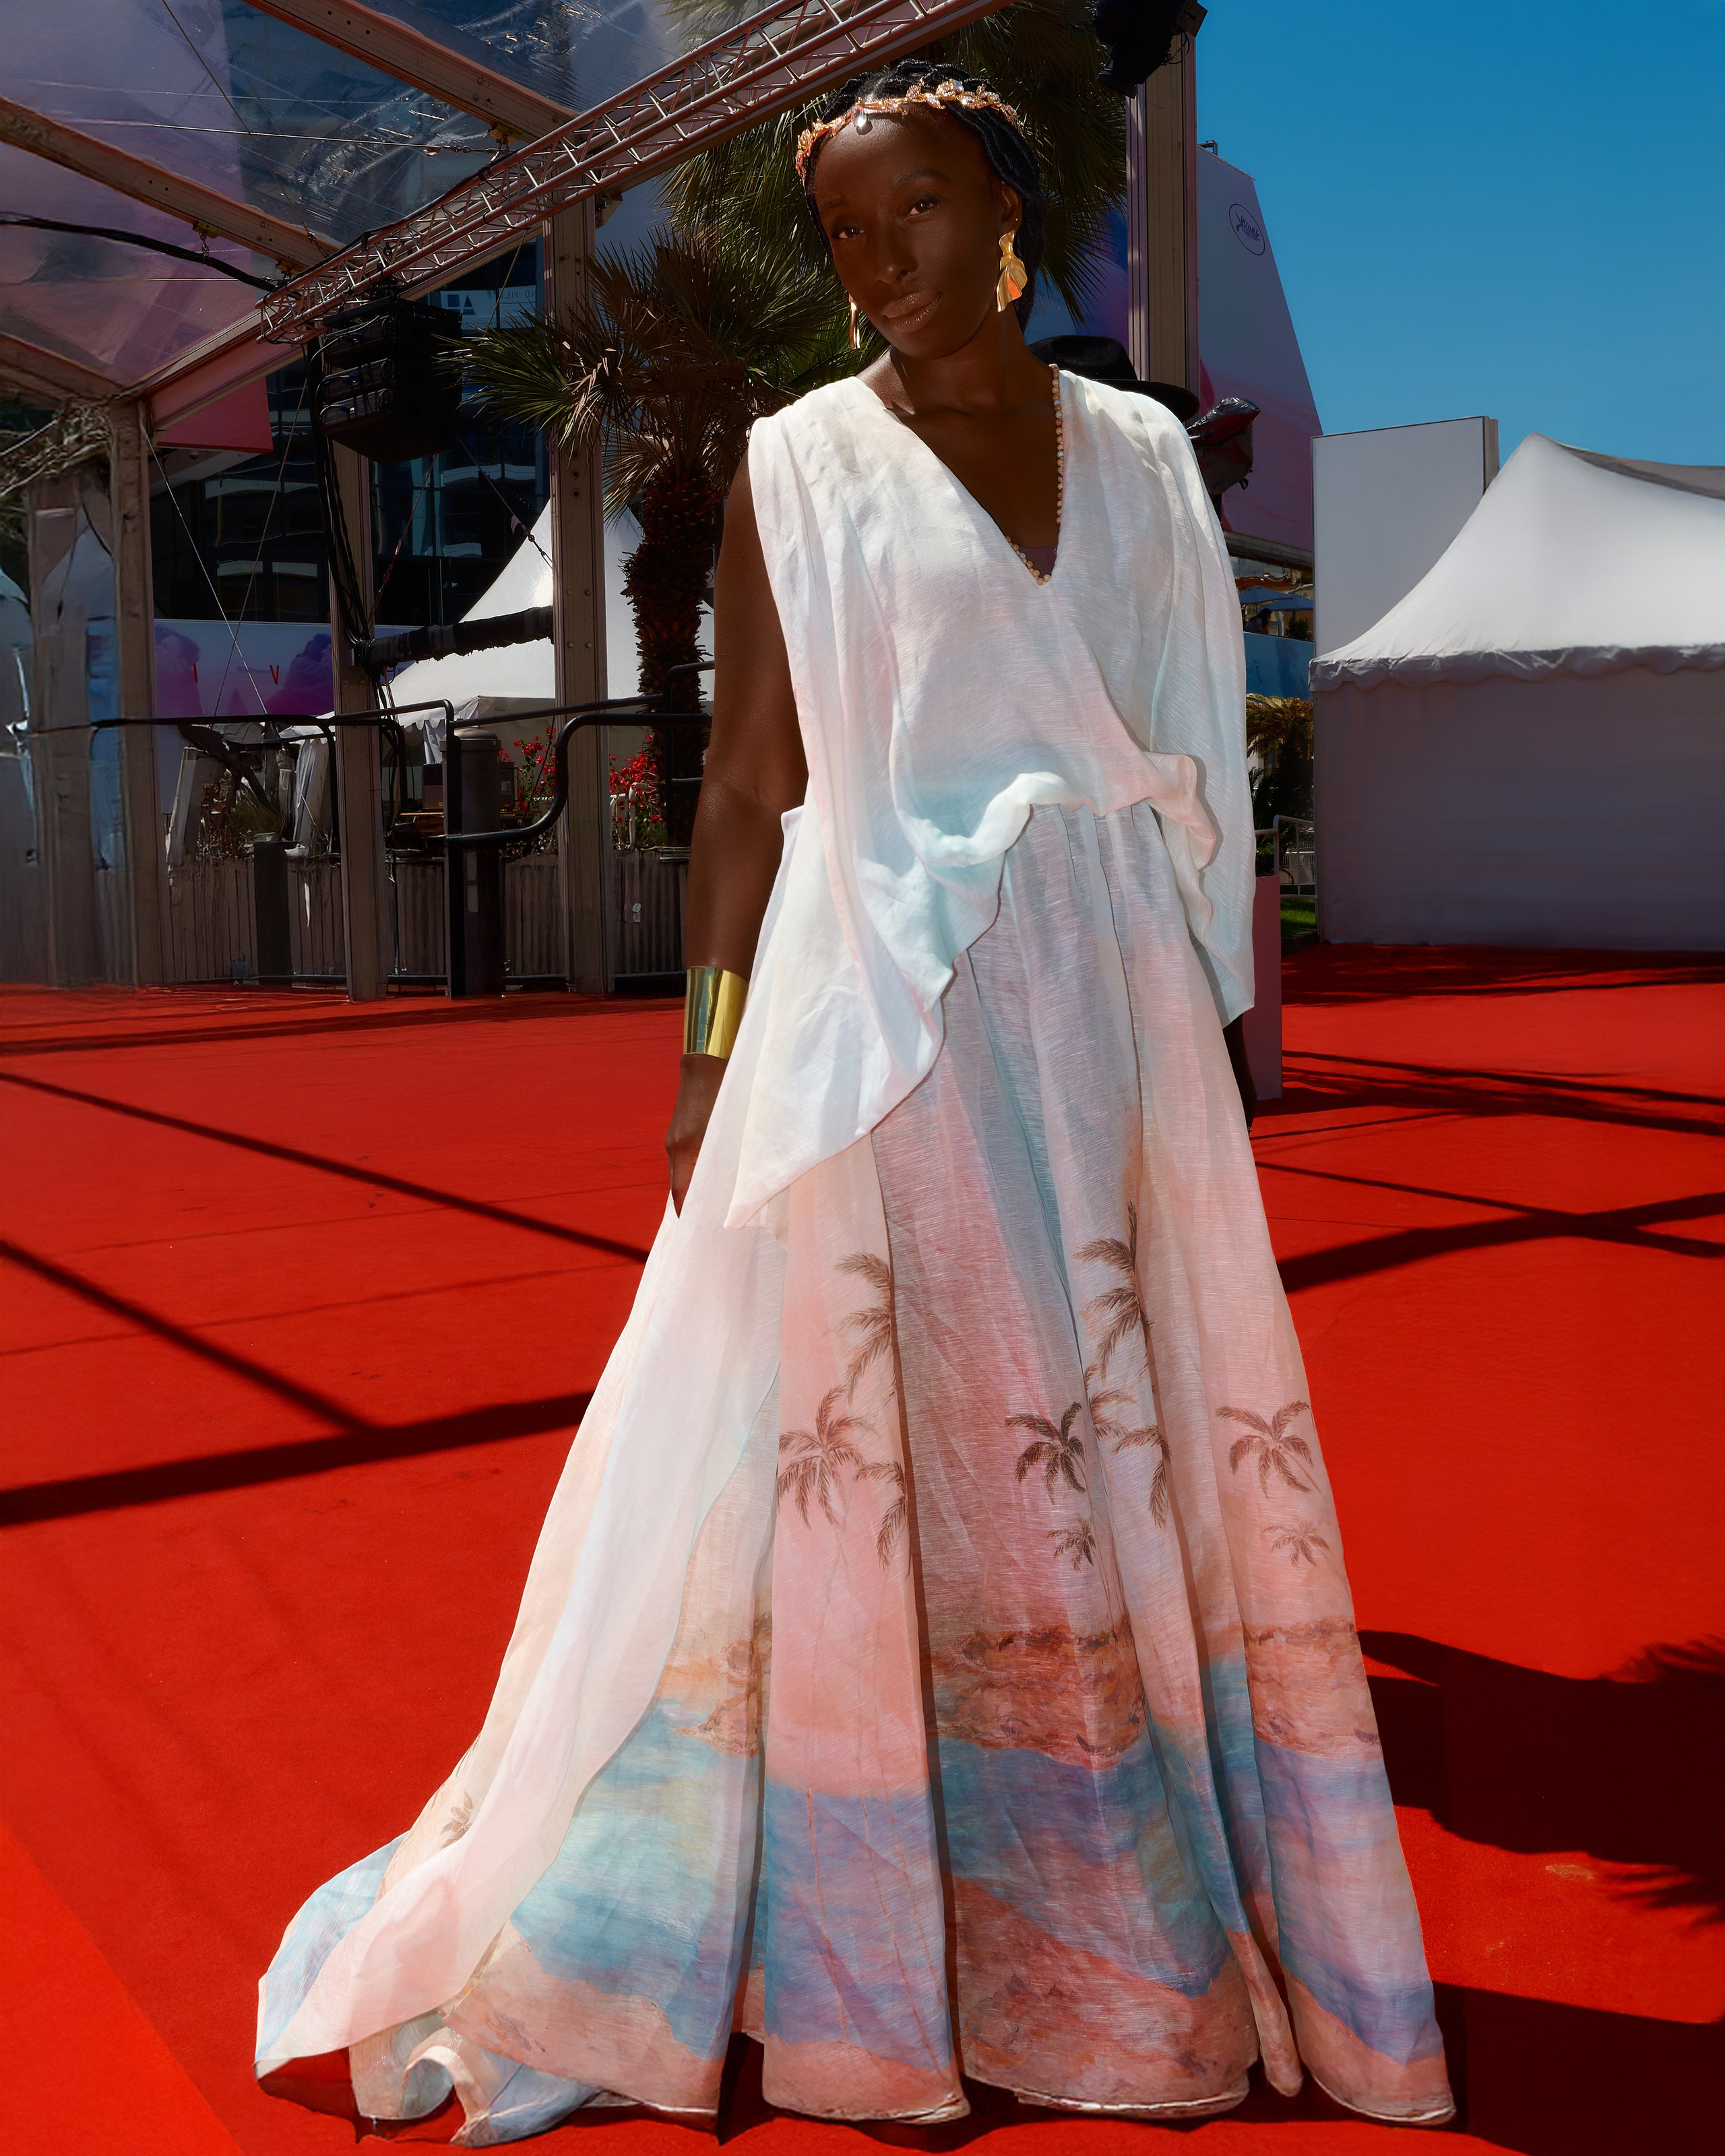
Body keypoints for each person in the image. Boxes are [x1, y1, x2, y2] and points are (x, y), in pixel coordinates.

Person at [257, 63, 1453, 2138]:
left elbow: (1197, 758)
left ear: (1003, 211)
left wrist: (1222, 1048)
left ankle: (1118, 1921)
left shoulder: (1150, 462)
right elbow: (744, 791)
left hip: (1116, 1021)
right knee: (920, 1460)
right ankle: (882, 1943)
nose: (874, 255)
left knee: (1116, 1465)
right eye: (839, 228)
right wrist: (709, 1053)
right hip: (878, 1016)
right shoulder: (799, 461)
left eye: (911, 207)